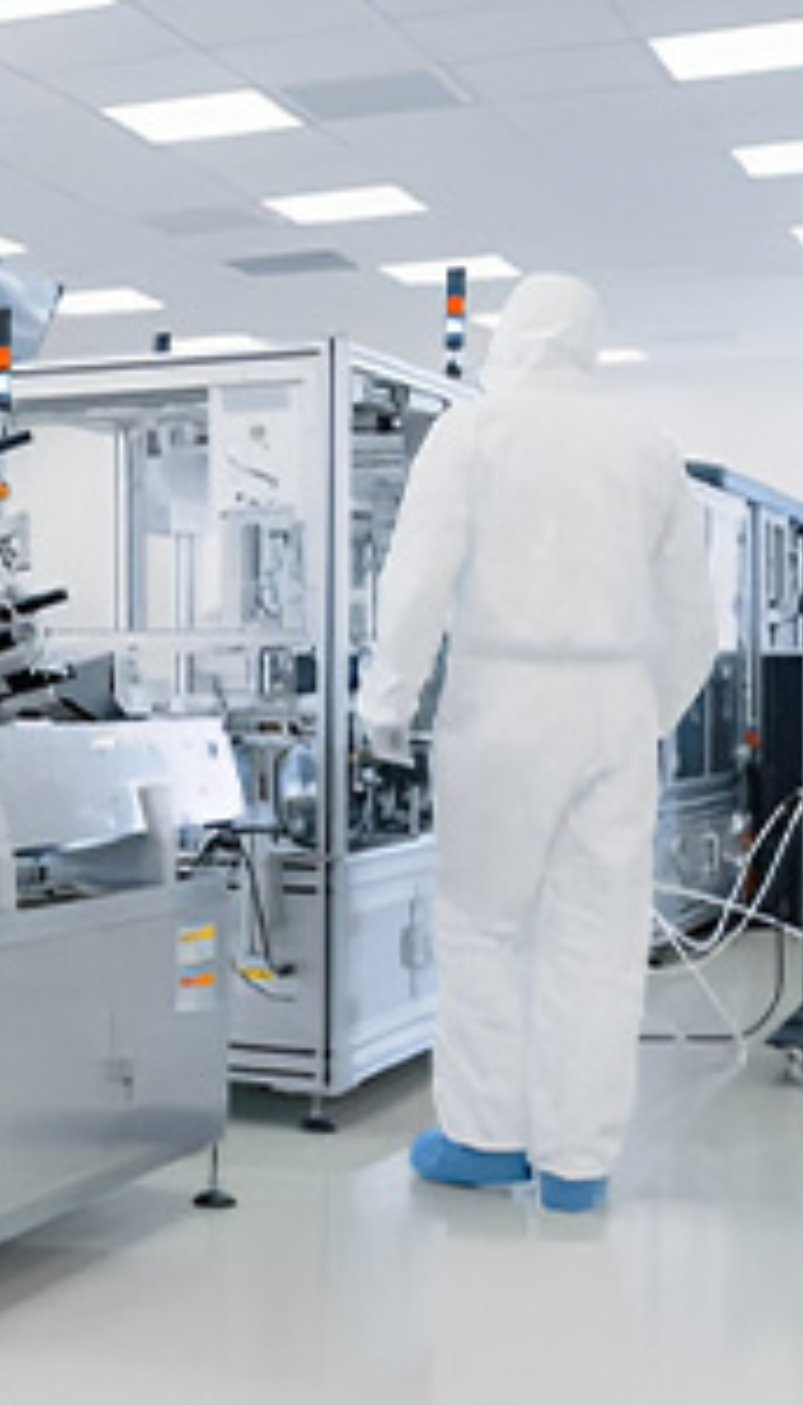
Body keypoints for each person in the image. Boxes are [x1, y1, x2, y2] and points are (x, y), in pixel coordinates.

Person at [357, 272, 719, 1212]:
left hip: (501, 702)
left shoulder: (473, 431)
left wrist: (386, 702)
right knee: (598, 937)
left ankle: (483, 1137)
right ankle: (576, 1163)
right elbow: (693, 617)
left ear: (509, 335)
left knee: (482, 923)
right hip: (615, 707)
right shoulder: (645, 445)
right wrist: (646, 712)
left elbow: (416, 579)